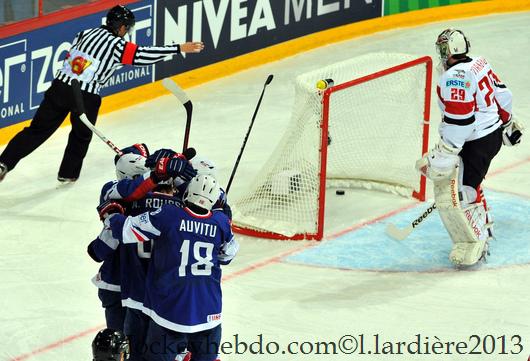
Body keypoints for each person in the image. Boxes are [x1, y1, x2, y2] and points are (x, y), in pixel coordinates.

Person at [0, 4, 204, 183]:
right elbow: (142, 55)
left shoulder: (86, 32)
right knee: (81, 135)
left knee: (36, 131)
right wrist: (178, 48)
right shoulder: (117, 45)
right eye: (127, 28)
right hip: (85, 97)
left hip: (60, 87)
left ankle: (3, 162)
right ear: (122, 27)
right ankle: (68, 173)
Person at [103, 174, 238, 361]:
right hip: (210, 313)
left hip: (171, 313)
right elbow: (227, 256)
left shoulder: (170, 215)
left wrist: (110, 215)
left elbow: (125, 230)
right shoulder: (221, 222)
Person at [417, 28, 523, 267]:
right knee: (470, 182)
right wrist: (507, 123)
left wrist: (444, 154)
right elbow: (504, 95)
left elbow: (460, 121)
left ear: (449, 51)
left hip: (475, 143)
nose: (440, 54)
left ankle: (478, 240)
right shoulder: (479, 63)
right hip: (492, 135)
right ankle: (484, 220)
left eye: (442, 49)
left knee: (464, 193)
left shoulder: (454, 77)